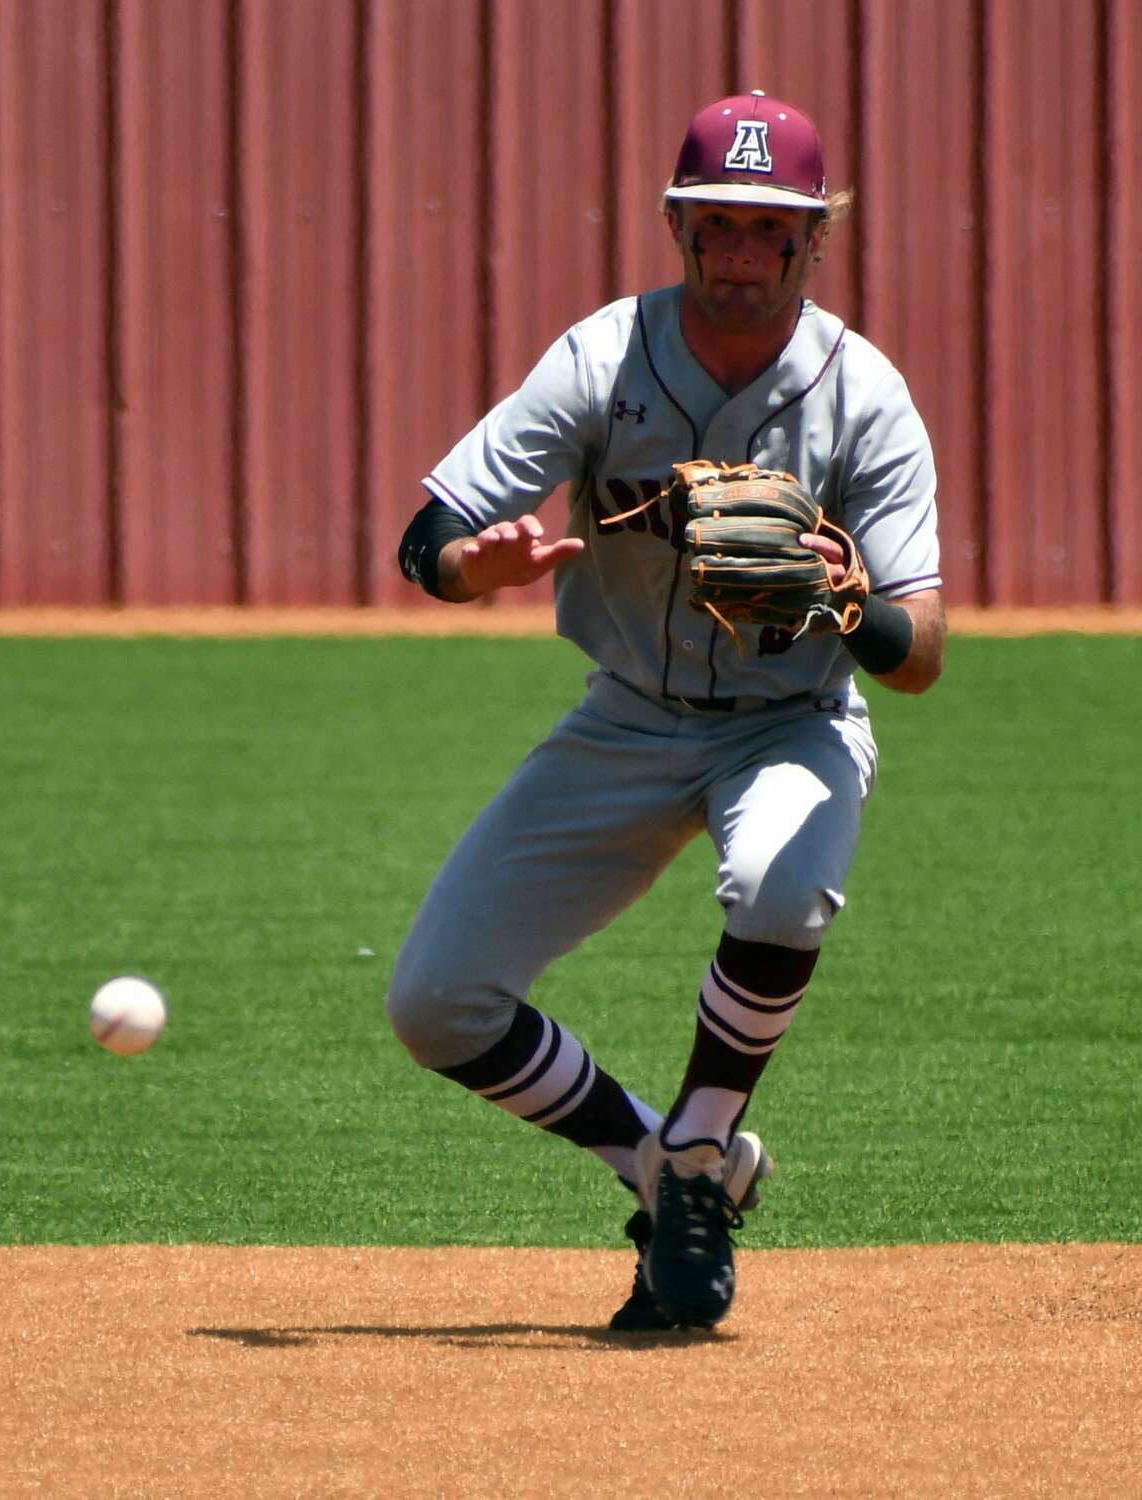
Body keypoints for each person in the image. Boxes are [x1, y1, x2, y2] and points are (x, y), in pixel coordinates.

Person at [388, 91, 945, 1331]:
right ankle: (667, 1163)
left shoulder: (865, 395)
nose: (741, 251)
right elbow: (425, 535)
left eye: (769, 228)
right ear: (676, 227)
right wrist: (474, 569)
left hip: (788, 717)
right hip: (627, 718)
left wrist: (839, 606)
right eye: (717, 225)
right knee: (433, 1004)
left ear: (814, 239)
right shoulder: (603, 357)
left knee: (783, 892)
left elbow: (920, 657)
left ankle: (695, 1153)